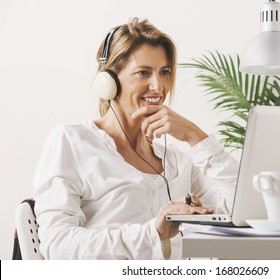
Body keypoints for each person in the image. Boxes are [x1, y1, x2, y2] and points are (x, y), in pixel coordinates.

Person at [33, 17, 239, 260]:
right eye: (143, 73)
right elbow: (58, 246)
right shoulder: (72, 141)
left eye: (164, 72)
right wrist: (152, 232)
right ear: (108, 81)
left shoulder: (176, 161)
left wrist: (196, 137)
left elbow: (241, 210)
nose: (158, 86)